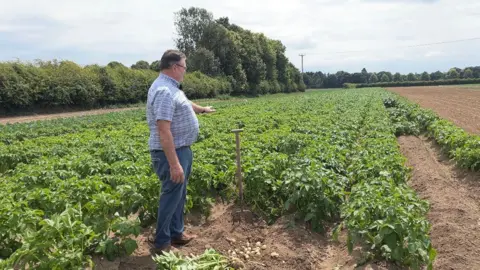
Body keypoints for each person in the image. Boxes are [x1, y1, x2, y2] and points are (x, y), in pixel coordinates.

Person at [146, 49, 215, 254]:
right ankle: (162, 242)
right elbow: (163, 130)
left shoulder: (172, 88)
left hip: (181, 150)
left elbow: (183, 103)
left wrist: (201, 109)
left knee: (179, 194)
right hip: (171, 153)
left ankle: (177, 232)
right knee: (171, 195)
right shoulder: (164, 91)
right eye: (184, 67)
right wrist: (174, 163)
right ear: (175, 67)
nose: (185, 71)